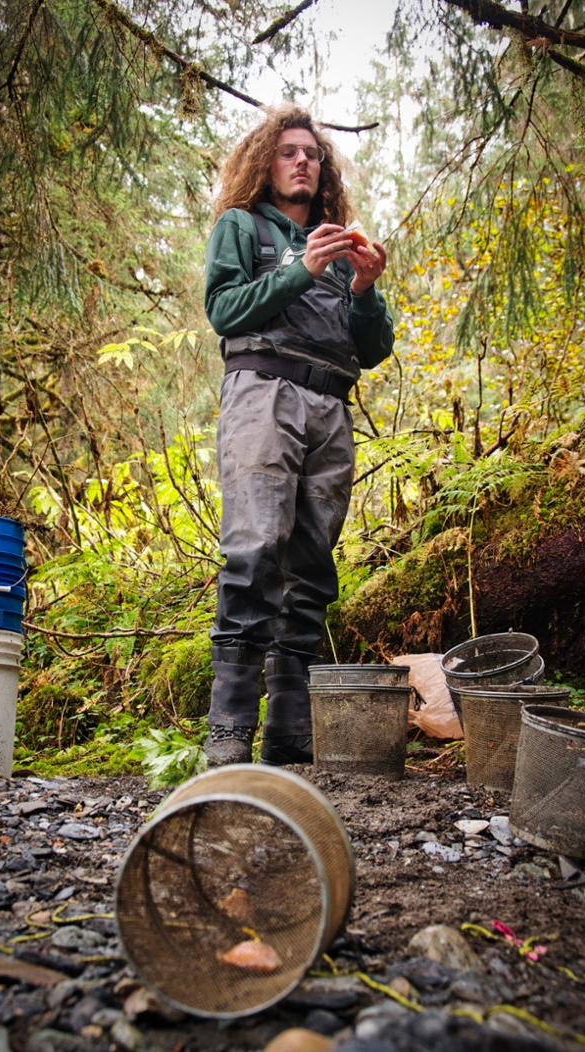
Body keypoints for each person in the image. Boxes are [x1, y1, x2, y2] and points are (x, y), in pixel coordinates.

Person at [203, 104, 394, 767]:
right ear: (267, 161)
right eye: (288, 151)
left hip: (331, 406)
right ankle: (229, 731)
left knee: (311, 571)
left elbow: (373, 348)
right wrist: (298, 271)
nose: (301, 160)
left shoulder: (341, 246)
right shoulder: (243, 227)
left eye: (311, 153)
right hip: (262, 394)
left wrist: (365, 289)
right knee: (255, 551)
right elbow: (223, 310)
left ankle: (288, 734)